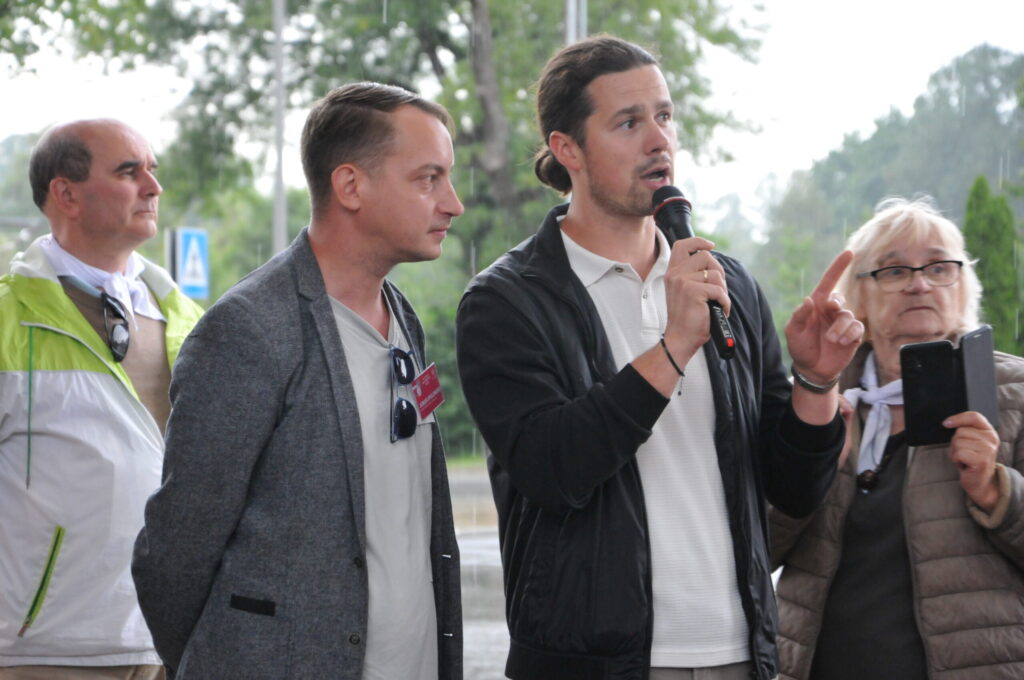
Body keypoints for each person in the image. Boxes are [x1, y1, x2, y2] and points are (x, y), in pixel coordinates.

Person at [455, 35, 863, 680]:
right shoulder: (508, 301)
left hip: (738, 652)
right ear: (568, 149)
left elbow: (793, 488)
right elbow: (553, 469)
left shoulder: (725, 283)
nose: (658, 140)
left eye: (665, 116)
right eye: (628, 122)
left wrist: (816, 381)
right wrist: (673, 348)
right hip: (596, 664)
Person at [131, 82, 464, 679]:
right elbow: (176, 553)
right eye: (428, 179)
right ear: (350, 186)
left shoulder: (402, 315)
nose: (453, 203)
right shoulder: (248, 330)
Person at [770, 197, 1024, 679]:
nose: (919, 284)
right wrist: (811, 465)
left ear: (962, 285)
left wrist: (997, 492)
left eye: (938, 267)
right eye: (894, 271)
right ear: (859, 296)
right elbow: (756, 551)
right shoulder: (818, 395)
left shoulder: (1014, 391)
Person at [0, 119, 204, 679]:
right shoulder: (8, 318)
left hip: (174, 645)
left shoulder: (191, 320)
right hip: (48, 652)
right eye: (128, 171)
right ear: (65, 194)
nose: (153, 187)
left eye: (152, 170)